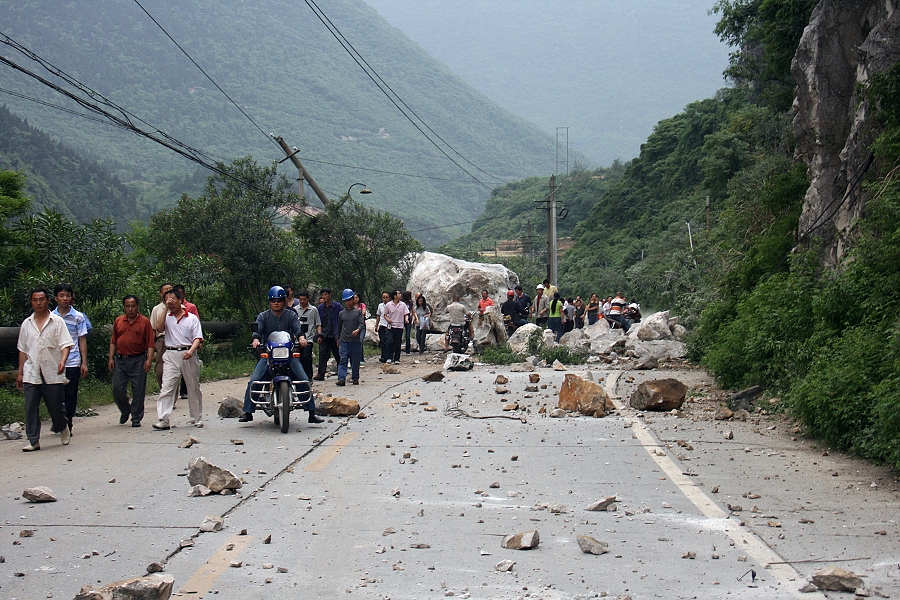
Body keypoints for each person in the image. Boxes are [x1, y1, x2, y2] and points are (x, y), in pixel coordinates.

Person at [239, 286, 322, 423]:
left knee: (304, 380)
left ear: (284, 301)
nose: (276, 303)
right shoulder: (263, 316)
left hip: (288, 355)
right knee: (254, 381)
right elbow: (257, 331)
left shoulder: (291, 315)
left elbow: (297, 328)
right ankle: (248, 412)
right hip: (269, 356)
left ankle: (311, 413)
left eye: (279, 300)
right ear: (270, 302)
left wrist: (301, 338)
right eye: (273, 300)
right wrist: (256, 339)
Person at [17, 288, 73, 451]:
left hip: (52, 370)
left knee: (55, 405)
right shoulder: (27, 324)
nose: (38, 303)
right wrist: (20, 372)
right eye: (35, 300)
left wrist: (63, 360)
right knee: (30, 406)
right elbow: (23, 349)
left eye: (41, 300)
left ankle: (62, 426)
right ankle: (33, 440)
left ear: (48, 301)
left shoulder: (56, 322)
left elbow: (65, 344)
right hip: (31, 371)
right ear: (31, 302)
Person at [152, 288, 203, 430]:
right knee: (167, 386)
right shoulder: (166, 317)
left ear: (180, 300)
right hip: (171, 354)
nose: (170, 302)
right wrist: (165, 309)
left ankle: (196, 417)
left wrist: (192, 351)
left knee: (193, 386)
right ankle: (163, 419)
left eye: (173, 299)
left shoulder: (191, 318)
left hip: (188, 353)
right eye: (167, 300)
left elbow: (198, 337)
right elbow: (158, 327)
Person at [108, 294, 155, 427]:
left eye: (133, 306)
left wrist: (149, 360)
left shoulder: (144, 322)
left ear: (137, 307)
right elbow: (113, 341)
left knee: (138, 390)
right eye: (127, 306)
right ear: (124, 307)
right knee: (117, 387)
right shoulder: (119, 321)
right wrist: (111, 358)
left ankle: (136, 417)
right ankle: (125, 409)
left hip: (138, 359)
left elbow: (150, 343)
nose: (130, 309)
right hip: (121, 360)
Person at [52, 283, 89, 435]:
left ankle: (68, 423)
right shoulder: (51, 317)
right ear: (55, 298)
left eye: (67, 295)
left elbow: (82, 340)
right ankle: (58, 421)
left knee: (70, 394)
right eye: (61, 295)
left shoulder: (78, 317)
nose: (65, 299)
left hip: (73, 360)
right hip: (54, 361)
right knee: (54, 394)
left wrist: (84, 362)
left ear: (71, 297)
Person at [336, 289, 365, 386]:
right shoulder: (341, 313)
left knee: (355, 361)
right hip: (344, 340)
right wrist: (338, 338)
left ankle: (355, 377)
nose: (348, 302)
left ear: (353, 300)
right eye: (346, 300)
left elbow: (362, 324)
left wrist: (358, 330)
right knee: (343, 359)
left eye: (349, 300)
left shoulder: (358, 312)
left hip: (355, 341)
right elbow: (339, 327)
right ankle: (341, 378)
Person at [172, 284, 196, 400]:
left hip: (188, 342)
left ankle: (185, 390)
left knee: (187, 368)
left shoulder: (191, 307)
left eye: (180, 293)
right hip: (174, 343)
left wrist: (197, 342)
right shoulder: (169, 311)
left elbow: (196, 324)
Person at [314, 288, 342, 380]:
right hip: (324, 334)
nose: (324, 296)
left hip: (335, 334)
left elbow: (340, 321)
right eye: (323, 295)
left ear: (330, 295)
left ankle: (341, 373)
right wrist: (319, 335)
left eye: (326, 294)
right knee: (323, 354)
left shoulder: (337, 307)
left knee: (338, 355)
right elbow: (319, 322)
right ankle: (320, 374)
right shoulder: (320, 308)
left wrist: (339, 336)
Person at [293, 290, 321, 382]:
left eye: (304, 299)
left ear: (308, 299)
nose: (302, 301)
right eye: (300, 299)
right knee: (297, 358)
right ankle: (299, 377)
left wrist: (319, 335)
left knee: (306, 357)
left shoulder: (313, 310)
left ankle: (309, 377)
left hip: (309, 338)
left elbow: (318, 324)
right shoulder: (295, 310)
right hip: (297, 339)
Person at [150, 283, 173, 388]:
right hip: (161, 340)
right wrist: (151, 346)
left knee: (174, 370)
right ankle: (163, 390)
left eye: (170, 290)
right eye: (166, 290)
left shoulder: (179, 307)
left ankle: (172, 397)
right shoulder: (156, 309)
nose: (168, 292)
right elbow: (153, 328)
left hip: (175, 340)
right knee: (160, 370)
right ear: (161, 294)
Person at [383, 290, 409, 364]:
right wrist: (388, 320)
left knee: (398, 343)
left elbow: (406, 313)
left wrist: (406, 319)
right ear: (395, 296)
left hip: (399, 327)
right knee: (389, 341)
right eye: (399, 293)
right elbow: (385, 314)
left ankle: (397, 358)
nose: (400, 295)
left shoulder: (403, 305)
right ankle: (389, 357)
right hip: (391, 327)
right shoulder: (388, 305)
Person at [375, 291, 391, 363]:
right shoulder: (380, 306)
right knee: (382, 342)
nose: (385, 299)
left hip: (390, 326)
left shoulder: (392, 305)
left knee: (389, 342)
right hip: (382, 325)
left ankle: (389, 356)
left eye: (386, 297)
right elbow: (378, 315)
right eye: (383, 297)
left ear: (389, 298)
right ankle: (383, 356)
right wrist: (376, 325)